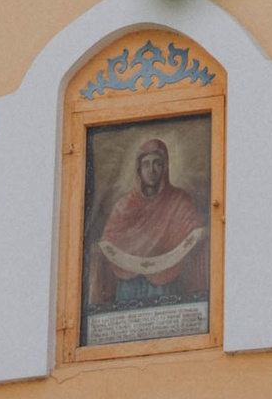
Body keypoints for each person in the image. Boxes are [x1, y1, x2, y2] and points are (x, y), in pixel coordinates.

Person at [88, 131, 210, 318]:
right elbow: (108, 245)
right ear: (138, 168)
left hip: (168, 286)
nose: (151, 170)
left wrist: (200, 235)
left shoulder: (180, 201)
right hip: (129, 285)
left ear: (165, 167)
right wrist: (101, 249)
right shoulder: (123, 206)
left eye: (157, 163)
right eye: (146, 164)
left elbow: (194, 234)